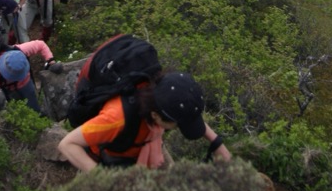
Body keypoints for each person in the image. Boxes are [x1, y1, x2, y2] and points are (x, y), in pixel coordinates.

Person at [58, 71, 231, 170]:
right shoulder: (116, 118)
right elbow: (67, 144)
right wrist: (104, 180)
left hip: (141, 146)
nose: (178, 128)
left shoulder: (164, 90)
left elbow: (186, 113)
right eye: (177, 125)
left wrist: (217, 144)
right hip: (109, 160)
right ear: (156, 116)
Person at [0, 39, 62, 115]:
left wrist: (51, 62)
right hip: (8, 88)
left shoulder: (20, 49)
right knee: (11, 109)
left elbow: (40, 44)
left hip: (25, 83)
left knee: (33, 106)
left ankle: (37, 114)